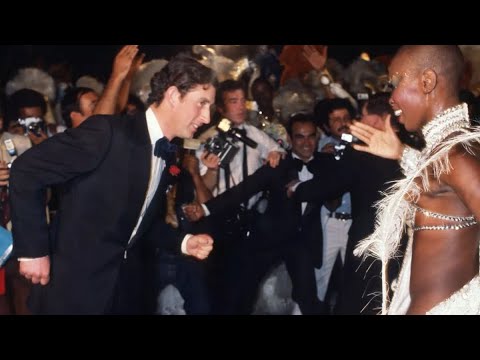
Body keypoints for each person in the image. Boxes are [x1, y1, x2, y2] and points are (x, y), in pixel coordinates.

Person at [9, 53, 215, 315]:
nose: (207, 117)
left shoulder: (167, 151)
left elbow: (138, 221)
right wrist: (33, 251)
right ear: (174, 96)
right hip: (71, 293)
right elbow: (27, 170)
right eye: (202, 103)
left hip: (122, 293)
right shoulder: (107, 132)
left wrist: (184, 242)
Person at [350, 45, 480, 315]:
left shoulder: (457, 156)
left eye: (395, 83)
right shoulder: (445, 152)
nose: (391, 98)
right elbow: (438, 184)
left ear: (427, 81)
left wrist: (457, 308)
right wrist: (400, 153)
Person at [184, 113, 328, 314]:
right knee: (243, 294)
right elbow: (242, 190)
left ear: (318, 137)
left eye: (311, 136)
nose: (306, 143)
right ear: (289, 138)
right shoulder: (277, 165)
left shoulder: (326, 164)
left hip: (302, 242)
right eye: (299, 137)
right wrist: (206, 209)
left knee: (308, 298)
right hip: (270, 238)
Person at [288, 94, 404, 314]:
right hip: (400, 239)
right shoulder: (412, 143)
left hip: (368, 238)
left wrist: (297, 189)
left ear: (378, 120)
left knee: (356, 299)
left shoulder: (362, 148)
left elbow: (332, 184)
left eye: (363, 116)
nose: (359, 121)